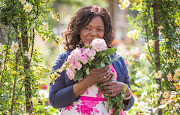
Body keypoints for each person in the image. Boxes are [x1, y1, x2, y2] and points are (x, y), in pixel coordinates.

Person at [49, 5, 134, 115]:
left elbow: (127, 105)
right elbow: (55, 100)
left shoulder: (117, 61)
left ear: (105, 32)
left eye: (99, 29)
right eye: (87, 28)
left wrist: (126, 91)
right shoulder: (65, 59)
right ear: (79, 30)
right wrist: (88, 81)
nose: (93, 33)